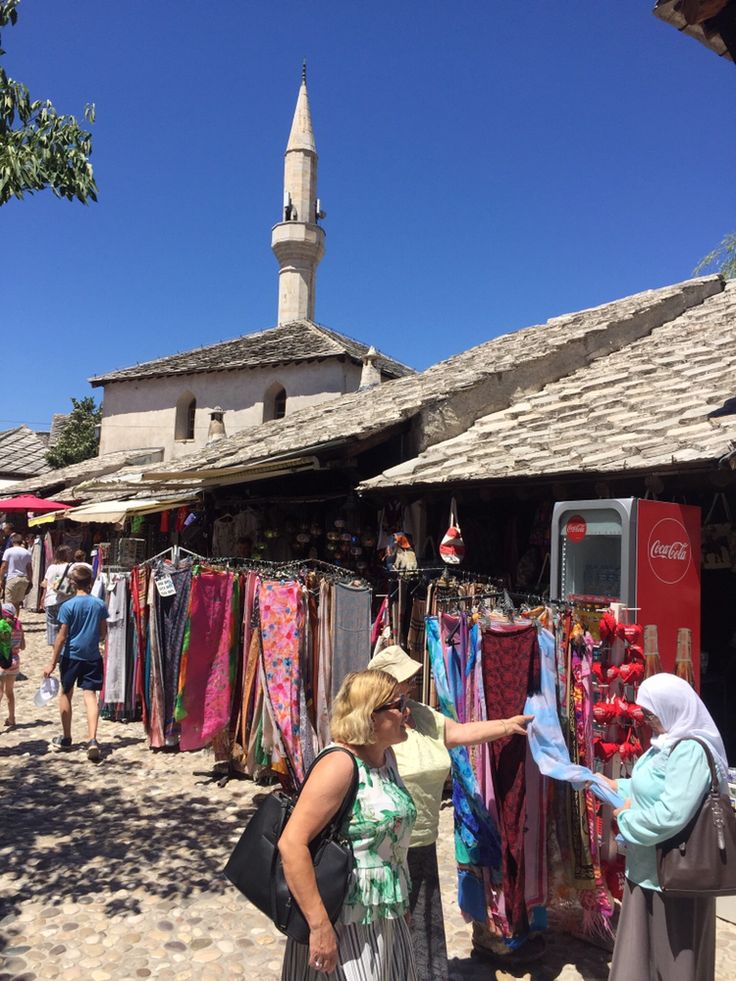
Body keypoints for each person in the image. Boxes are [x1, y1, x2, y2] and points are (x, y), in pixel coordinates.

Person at [367, 645, 533, 977]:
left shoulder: (422, 715)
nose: (409, 686)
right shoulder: (375, 724)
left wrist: (505, 725)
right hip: (385, 846)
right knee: (388, 926)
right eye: (402, 681)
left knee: (422, 921)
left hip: (423, 841)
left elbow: (459, 733)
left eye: (410, 680)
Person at [278, 669, 418, 979]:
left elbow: (390, 843)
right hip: (343, 920)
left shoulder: (386, 758)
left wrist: (401, 902)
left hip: (383, 918)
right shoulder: (339, 765)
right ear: (370, 715)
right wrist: (319, 927)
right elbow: (292, 844)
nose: (406, 711)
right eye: (399, 704)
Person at [606, 673, 729, 981]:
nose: (647, 721)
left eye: (651, 713)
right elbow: (649, 787)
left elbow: (670, 815)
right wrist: (612, 785)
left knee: (673, 963)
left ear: (672, 707)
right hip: (648, 872)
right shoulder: (666, 743)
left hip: (675, 880)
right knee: (641, 961)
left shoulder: (691, 751)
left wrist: (624, 818)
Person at [43, 565, 108, 762]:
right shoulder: (99, 604)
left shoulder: (68, 606)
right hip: (92, 656)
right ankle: (93, 739)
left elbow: (61, 637)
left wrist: (52, 662)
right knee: (90, 695)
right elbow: (103, 633)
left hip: (71, 655)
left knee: (66, 693)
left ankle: (66, 737)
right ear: (90, 583)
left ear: (73, 583)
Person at [41, 545, 74, 646]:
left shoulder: (51, 567)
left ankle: (56, 654)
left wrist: (42, 598)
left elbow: (44, 584)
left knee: (52, 629)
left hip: (50, 600)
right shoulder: (72, 567)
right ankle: (64, 654)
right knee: (66, 629)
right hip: (66, 601)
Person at [0, 602, 24, 728]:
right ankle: (11, 718)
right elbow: (23, 646)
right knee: (10, 692)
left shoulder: (2, 627)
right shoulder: (19, 626)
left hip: (2, 662)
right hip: (15, 661)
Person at [0, 533, 33, 609]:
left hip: (12, 578)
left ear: (12, 541)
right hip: (24, 579)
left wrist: (1, 579)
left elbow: (4, 566)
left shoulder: (8, 551)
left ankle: (8, 619)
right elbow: (29, 568)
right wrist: (30, 580)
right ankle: (16, 618)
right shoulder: (27, 552)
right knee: (17, 602)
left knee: (8, 601)